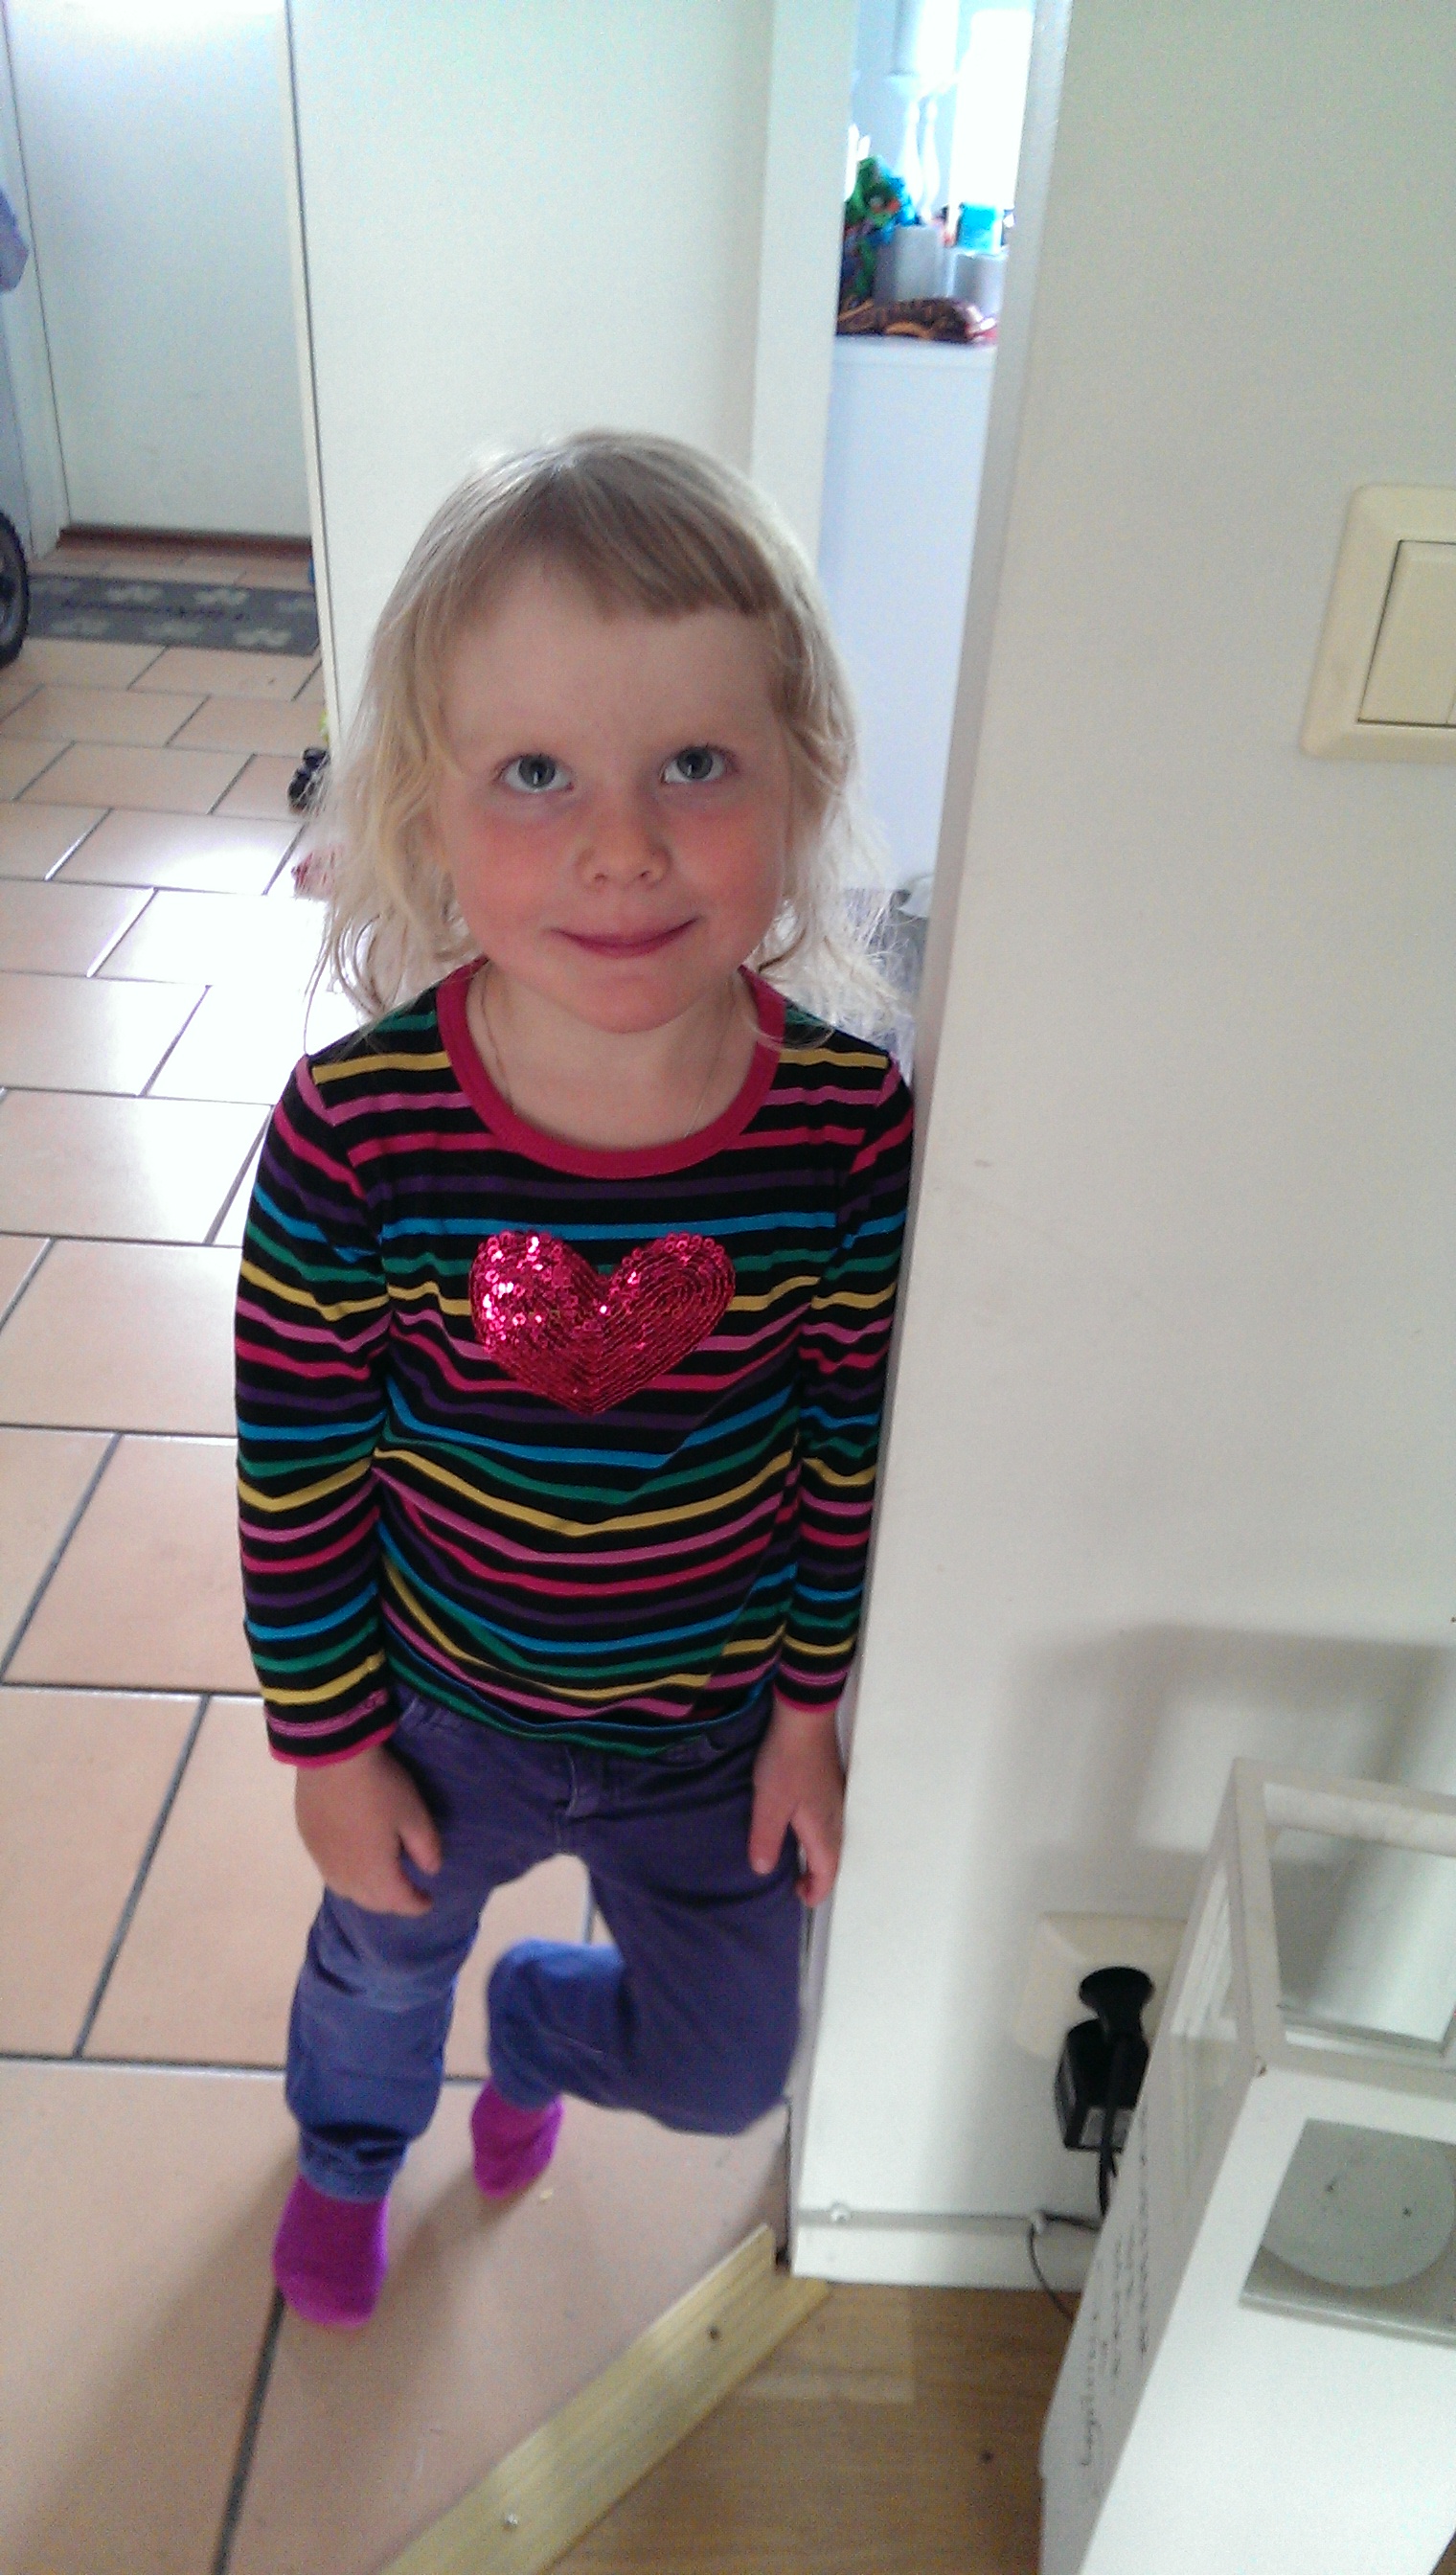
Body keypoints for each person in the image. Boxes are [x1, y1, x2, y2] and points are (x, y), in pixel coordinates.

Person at [236, 431, 913, 2329]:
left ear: (798, 780)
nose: (623, 846)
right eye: (537, 774)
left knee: (726, 2071)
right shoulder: (357, 1135)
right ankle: (351, 2154)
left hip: (709, 1736)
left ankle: (538, 2027)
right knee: (377, 1968)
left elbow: (836, 1451)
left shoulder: (846, 1128)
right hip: (438, 1712)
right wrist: (330, 1746)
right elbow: (296, 1476)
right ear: (429, 808)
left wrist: (804, 1715)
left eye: (694, 764)